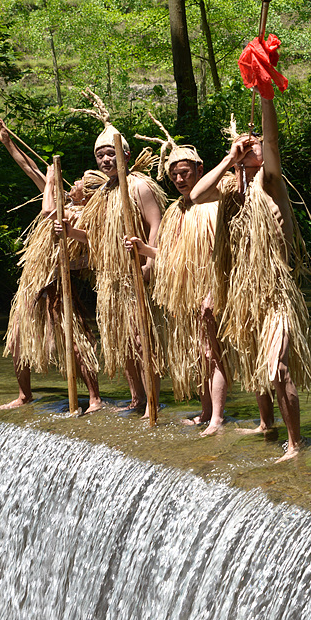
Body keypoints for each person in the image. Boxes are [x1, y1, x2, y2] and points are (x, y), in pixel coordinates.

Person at [190, 95, 311, 461]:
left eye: (254, 146)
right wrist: (231, 158)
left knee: (277, 367)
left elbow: (273, 141)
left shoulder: (270, 181)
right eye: (247, 147)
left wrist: (265, 97)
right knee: (254, 366)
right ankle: (267, 424)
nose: (252, 148)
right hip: (243, 293)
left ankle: (295, 444)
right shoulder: (230, 190)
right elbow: (197, 195)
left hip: (275, 291)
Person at [59, 91, 166, 414]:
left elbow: (156, 224)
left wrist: (148, 263)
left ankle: (153, 403)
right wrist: (70, 232)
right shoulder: (104, 192)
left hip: (136, 271)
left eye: (111, 154)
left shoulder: (140, 186)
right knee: (119, 341)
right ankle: (136, 399)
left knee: (140, 340)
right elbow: (98, 237)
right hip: (110, 277)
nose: (106, 160)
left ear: (125, 153)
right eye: (101, 156)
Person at [0, 116, 104, 413]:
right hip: (33, 278)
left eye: (81, 182)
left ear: (89, 194)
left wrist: (53, 180)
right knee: (17, 337)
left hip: (57, 280)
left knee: (75, 337)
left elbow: (48, 213)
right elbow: (29, 168)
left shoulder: (86, 217)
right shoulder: (61, 199)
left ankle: (94, 397)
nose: (75, 182)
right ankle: (24, 394)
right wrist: (7, 141)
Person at [125, 119, 230, 435]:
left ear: (200, 170)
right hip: (187, 296)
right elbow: (172, 258)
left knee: (212, 353)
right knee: (199, 355)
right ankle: (205, 410)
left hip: (211, 290)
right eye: (174, 175)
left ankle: (218, 418)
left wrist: (214, 289)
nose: (180, 179)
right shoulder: (174, 211)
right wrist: (145, 249)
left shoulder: (214, 203)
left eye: (185, 172)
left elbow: (221, 253)